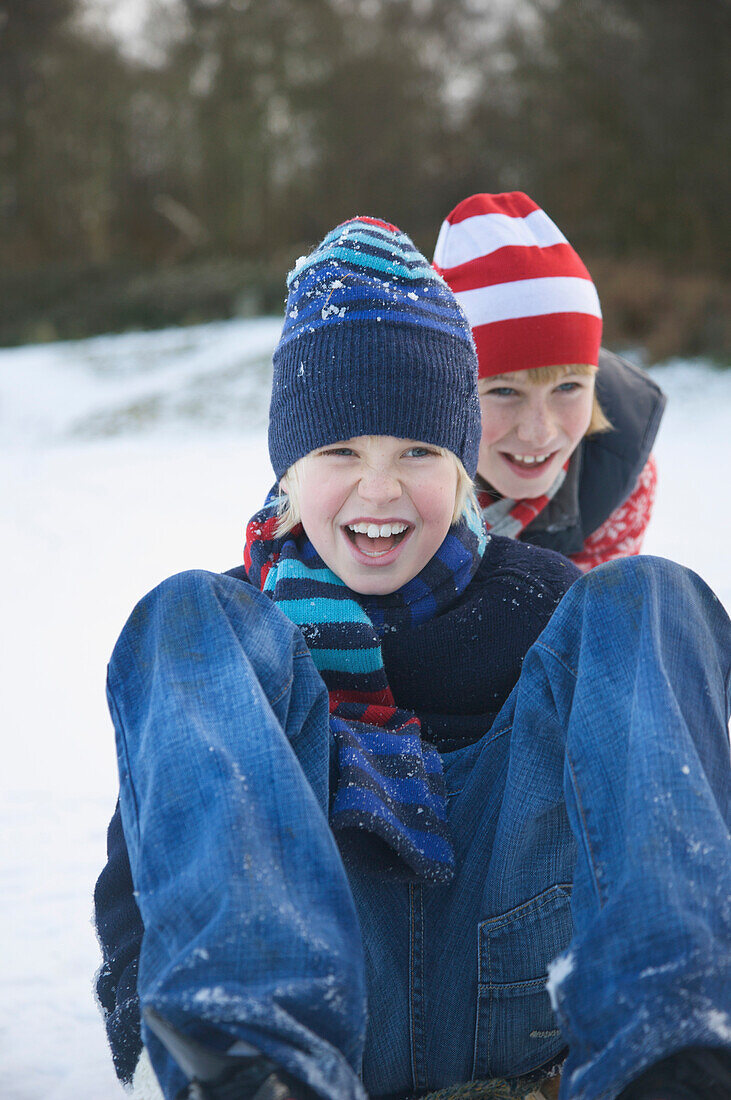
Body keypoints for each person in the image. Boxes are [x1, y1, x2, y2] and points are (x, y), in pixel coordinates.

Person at [94, 217, 731, 1100]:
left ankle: (676, 1047)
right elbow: (161, 835)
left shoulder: (544, 601)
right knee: (185, 612)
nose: (381, 488)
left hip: (523, 976)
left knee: (647, 595)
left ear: (464, 469)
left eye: (420, 452)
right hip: (324, 987)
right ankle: (248, 1062)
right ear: (287, 470)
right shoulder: (238, 634)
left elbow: (651, 777)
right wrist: (139, 982)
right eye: (340, 452)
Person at [433, 192, 666, 571]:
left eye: (568, 387)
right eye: (504, 391)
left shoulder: (614, 472)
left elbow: (587, 621)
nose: (539, 433)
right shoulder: (393, 474)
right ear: (445, 393)